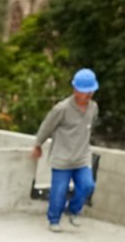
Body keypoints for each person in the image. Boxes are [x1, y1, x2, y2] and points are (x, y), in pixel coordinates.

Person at [32, 68, 100, 232]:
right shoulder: (61, 109)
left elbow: (91, 126)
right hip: (62, 158)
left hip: (82, 158)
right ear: (75, 90)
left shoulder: (93, 108)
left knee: (87, 185)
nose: (88, 95)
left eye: (91, 91)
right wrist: (37, 145)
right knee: (59, 192)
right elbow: (46, 126)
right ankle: (54, 219)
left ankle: (73, 210)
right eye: (85, 92)